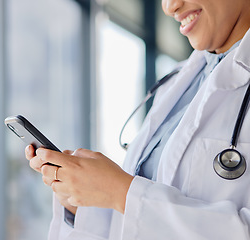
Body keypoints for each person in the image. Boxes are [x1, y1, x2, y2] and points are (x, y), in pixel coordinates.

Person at [25, 0, 250, 239]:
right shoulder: (177, 84)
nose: (170, 6)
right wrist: (83, 201)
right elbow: (137, 218)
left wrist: (119, 191)